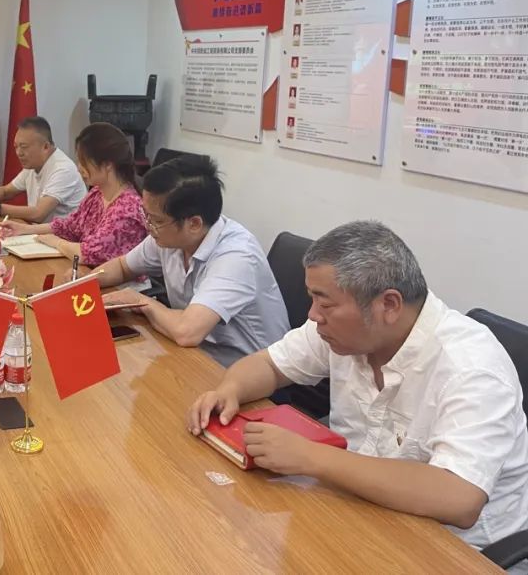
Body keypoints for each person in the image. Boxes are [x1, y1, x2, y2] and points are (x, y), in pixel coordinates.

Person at [187, 221, 528, 553]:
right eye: (312, 299)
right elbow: (269, 365)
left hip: (455, 550)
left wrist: (309, 456)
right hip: (360, 509)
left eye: (325, 303)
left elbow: (459, 497)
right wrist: (229, 390)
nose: (313, 314)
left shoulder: (471, 367)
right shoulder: (342, 330)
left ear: (388, 305)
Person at [93, 155, 288, 366]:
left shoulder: (236, 256)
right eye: (146, 215)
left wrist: (138, 300)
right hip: (198, 353)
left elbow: (187, 332)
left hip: (249, 369)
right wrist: (81, 283)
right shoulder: (169, 236)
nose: (148, 226)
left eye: (156, 220)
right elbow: (122, 267)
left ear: (194, 224)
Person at [0, 122, 146, 266]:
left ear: (108, 165)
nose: (79, 168)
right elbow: (70, 226)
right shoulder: (97, 193)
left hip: (112, 281)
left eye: (84, 162)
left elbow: (87, 253)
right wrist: (25, 229)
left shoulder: (127, 208)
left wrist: (56, 242)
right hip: (87, 272)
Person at [0, 116, 85, 222]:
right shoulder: (32, 164)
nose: (19, 153)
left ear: (46, 147)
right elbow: (6, 192)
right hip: (39, 233)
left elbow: (38, 214)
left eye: (24, 147)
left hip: (63, 239)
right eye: (16, 147)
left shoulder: (63, 169)